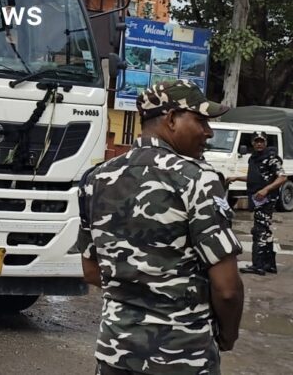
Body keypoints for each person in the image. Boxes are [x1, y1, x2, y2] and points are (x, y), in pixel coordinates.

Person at [76, 80, 244, 375]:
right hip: (183, 358)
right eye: (201, 120)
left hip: (116, 354)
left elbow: (91, 271)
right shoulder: (197, 178)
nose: (209, 132)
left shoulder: (96, 179)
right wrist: (227, 336)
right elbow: (227, 288)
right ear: (171, 119)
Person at [229, 132, 286, 275]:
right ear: (252, 143)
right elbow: (254, 177)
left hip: (266, 199)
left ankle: (258, 266)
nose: (259, 144)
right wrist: (236, 178)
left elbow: (282, 177)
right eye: (256, 141)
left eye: (262, 141)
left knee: (259, 231)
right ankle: (269, 264)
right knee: (264, 231)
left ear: (266, 142)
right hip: (256, 197)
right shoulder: (253, 158)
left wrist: (266, 190)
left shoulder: (271, 158)